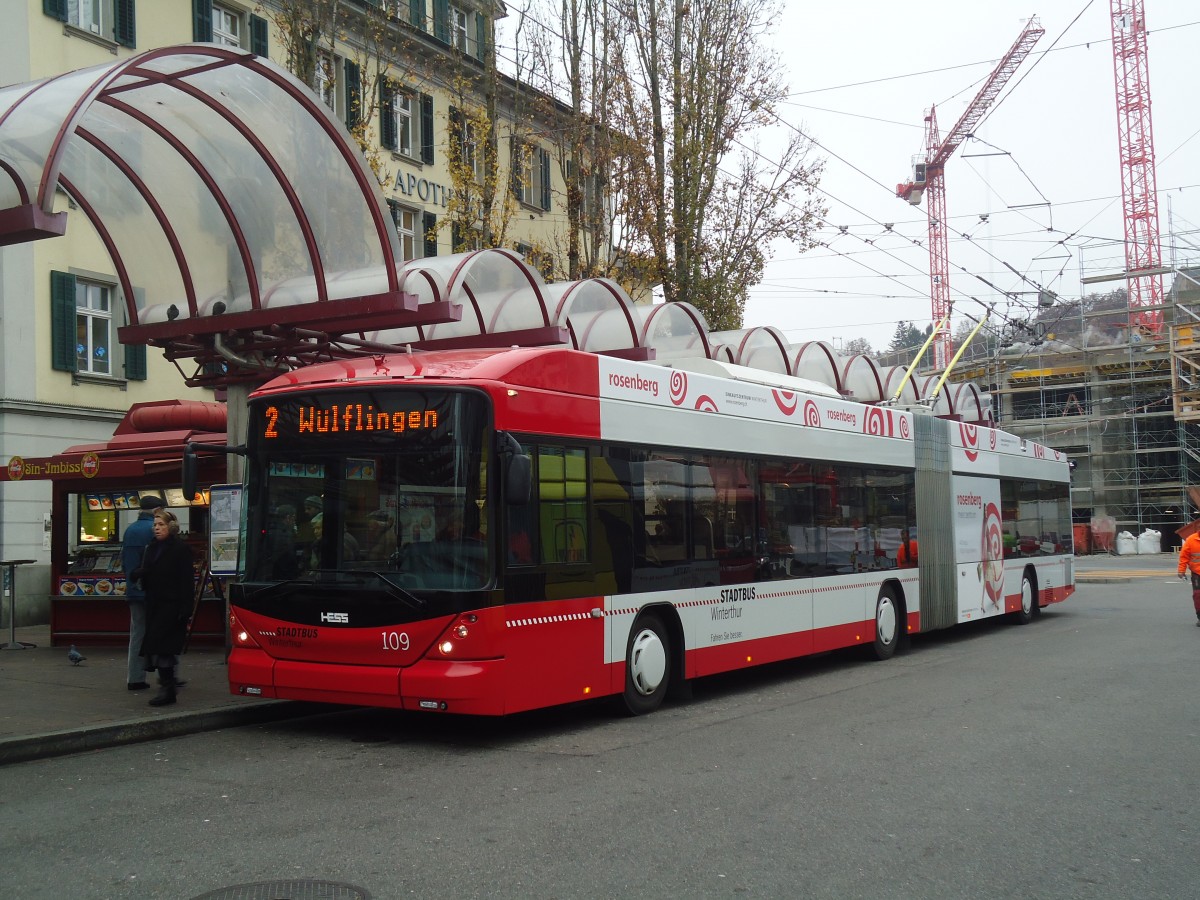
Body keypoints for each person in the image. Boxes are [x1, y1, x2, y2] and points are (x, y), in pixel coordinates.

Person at [132, 508, 195, 706]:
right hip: (155, 604)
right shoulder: (150, 548)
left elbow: (186, 580)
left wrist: (186, 608)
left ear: (171, 527)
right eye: (155, 525)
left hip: (172, 605)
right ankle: (167, 687)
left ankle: (167, 689)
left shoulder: (180, 549)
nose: (157, 529)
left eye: (161, 525)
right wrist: (139, 573)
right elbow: (147, 571)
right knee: (157, 647)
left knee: (164, 648)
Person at [120, 495, 161, 691]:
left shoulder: (130, 531)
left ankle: (135, 678)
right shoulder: (155, 530)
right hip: (153, 591)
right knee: (163, 631)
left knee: (137, 633)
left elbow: (124, 562)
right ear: (156, 511)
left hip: (133, 590)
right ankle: (166, 674)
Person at [1176, 530, 1200, 626]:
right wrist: (1181, 570)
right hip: (1197, 573)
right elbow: (1184, 556)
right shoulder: (1191, 540)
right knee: (1198, 595)